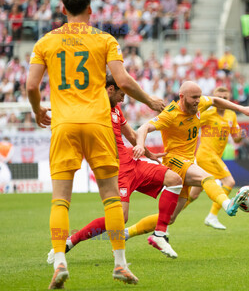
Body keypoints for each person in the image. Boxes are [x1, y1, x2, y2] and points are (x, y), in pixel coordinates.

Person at [26, 0, 164, 289]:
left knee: (60, 200)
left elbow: (32, 87)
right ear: (91, 9)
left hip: (64, 125)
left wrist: (37, 110)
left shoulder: (46, 42)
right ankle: (120, 264)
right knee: (111, 198)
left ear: (62, 8)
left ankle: (60, 261)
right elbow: (124, 82)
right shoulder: (104, 39)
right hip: (99, 125)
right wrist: (151, 101)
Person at [46, 75, 183, 264]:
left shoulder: (116, 109)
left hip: (133, 162)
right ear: (110, 89)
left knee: (175, 179)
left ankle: (159, 233)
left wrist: (149, 154)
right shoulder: (93, 106)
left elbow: (132, 135)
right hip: (115, 170)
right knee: (121, 217)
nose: (123, 99)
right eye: (121, 94)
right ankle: (71, 241)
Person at [125, 81, 249, 241]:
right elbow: (143, 128)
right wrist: (141, 145)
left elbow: (215, 101)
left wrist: (241, 109)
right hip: (175, 161)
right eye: (194, 97)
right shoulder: (171, 114)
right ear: (182, 97)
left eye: (199, 96)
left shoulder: (201, 106)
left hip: (189, 161)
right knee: (210, 178)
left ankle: (127, 233)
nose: (198, 100)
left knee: (169, 218)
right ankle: (225, 206)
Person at [183, 87, 244, 229]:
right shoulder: (207, 113)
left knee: (194, 194)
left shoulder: (231, 115)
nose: (223, 100)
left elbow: (236, 139)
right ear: (214, 100)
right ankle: (212, 216)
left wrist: (240, 135)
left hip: (215, 156)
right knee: (229, 181)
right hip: (206, 154)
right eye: (219, 98)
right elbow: (190, 124)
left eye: (225, 98)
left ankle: (169, 216)